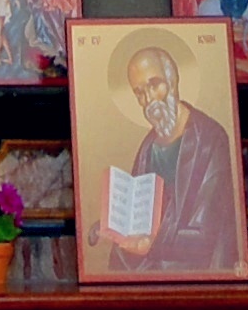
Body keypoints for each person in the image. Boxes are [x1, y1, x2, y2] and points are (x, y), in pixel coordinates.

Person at [94, 39, 240, 272]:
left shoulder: (210, 139)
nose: (149, 99)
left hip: (196, 266)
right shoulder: (149, 145)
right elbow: (137, 210)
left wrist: (153, 243)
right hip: (153, 260)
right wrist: (111, 225)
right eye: (140, 92)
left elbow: (207, 230)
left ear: (173, 80)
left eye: (155, 84)